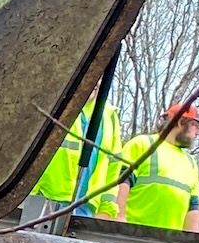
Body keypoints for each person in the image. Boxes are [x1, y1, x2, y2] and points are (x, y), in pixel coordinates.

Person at [28, 96, 130, 224]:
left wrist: (106, 209)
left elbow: (113, 168)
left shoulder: (109, 115)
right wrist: (26, 201)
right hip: (43, 204)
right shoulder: (54, 105)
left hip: (86, 212)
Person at [123, 101, 199, 232]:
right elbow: (122, 183)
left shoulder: (190, 163)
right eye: (195, 126)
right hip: (132, 234)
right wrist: (117, 221)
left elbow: (193, 207)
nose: (198, 133)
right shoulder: (142, 144)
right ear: (181, 123)